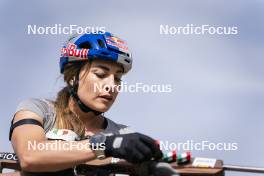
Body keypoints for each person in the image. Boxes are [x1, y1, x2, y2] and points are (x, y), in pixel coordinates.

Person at [8, 32, 162, 176]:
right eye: (100, 74)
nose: (112, 85)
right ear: (72, 78)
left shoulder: (124, 133)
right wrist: (107, 145)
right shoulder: (38, 109)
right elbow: (29, 155)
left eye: (117, 78)